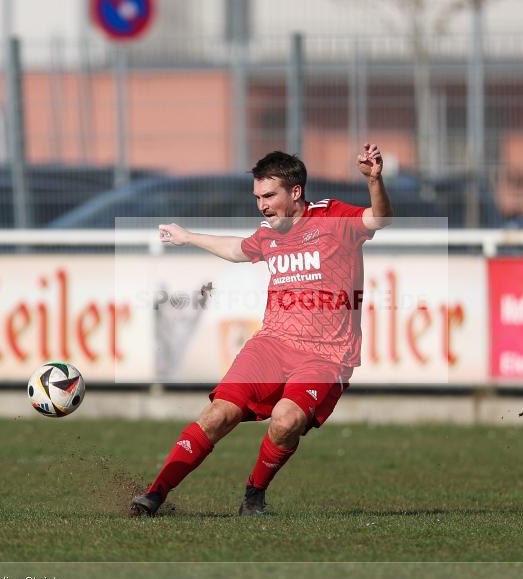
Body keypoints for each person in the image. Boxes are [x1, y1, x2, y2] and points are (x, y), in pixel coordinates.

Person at [131, 143, 393, 517]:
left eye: (269, 196)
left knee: (287, 421)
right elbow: (238, 249)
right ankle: (153, 495)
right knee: (218, 414)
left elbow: (379, 219)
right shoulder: (269, 233)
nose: (262, 205)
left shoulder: (333, 218)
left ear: (296, 192)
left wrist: (374, 181)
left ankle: (253, 496)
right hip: (272, 344)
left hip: (326, 354)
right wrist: (187, 236)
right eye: (257, 197)